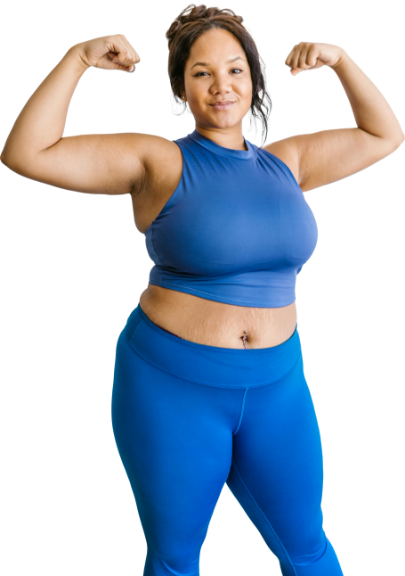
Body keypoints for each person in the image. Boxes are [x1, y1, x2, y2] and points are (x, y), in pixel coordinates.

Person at [1, 3, 403, 575]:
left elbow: (385, 133)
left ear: (255, 80)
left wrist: (339, 60)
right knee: (174, 559)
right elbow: (27, 154)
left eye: (236, 69)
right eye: (201, 73)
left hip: (277, 384)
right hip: (171, 386)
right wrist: (78, 59)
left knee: (309, 549)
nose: (221, 86)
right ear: (181, 88)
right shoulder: (159, 160)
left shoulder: (288, 163)